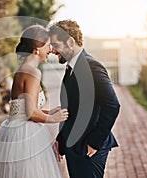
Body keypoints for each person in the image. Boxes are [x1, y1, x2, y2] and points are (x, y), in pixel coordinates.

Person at [0, 25, 68, 178]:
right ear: (38, 48)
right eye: (48, 45)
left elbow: (21, 108)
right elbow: (31, 113)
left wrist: (49, 111)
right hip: (26, 136)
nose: (50, 49)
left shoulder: (23, 69)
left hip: (14, 129)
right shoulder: (33, 72)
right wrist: (53, 119)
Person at [49, 20, 120, 178]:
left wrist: (93, 143)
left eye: (55, 44)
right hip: (74, 147)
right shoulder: (70, 69)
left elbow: (112, 105)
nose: (52, 51)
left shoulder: (93, 67)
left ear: (71, 41)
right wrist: (61, 139)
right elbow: (70, 109)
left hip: (88, 149)